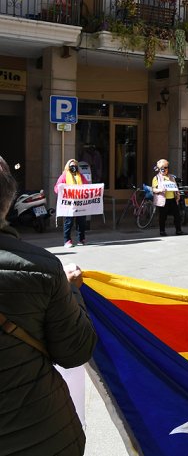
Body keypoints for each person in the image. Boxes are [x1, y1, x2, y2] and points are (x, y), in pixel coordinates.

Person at [0, 155, 97, 456]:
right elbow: (75, 350)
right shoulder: (41, 269)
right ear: (7, 200)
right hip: (41, 436)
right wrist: (72, 291)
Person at [55, 159, 90, 248]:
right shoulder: (63, 176)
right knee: (69, 222)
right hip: (69, 204)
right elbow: (56, 188)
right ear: (68, 167)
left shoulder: (81, 176)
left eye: (75, 166)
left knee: (81, 222)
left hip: (80, 203)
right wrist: (60, 188)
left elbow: (86, 187)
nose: (73, 167)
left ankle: (81, 239)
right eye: (71, 166)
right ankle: (67, 240)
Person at [152, 159, 184, 237]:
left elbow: (175, 187)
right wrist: (160, 189)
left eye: (166, 168)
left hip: (172, 199)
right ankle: (162, 231)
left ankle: (178, 230)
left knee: (177, 215)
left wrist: (177, 194)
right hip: (163, 199)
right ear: (159, 169)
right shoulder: (156, 178)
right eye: (163, 168)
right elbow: (154, 189)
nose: (164, 170)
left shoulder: (171, 177)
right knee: (163, 216)